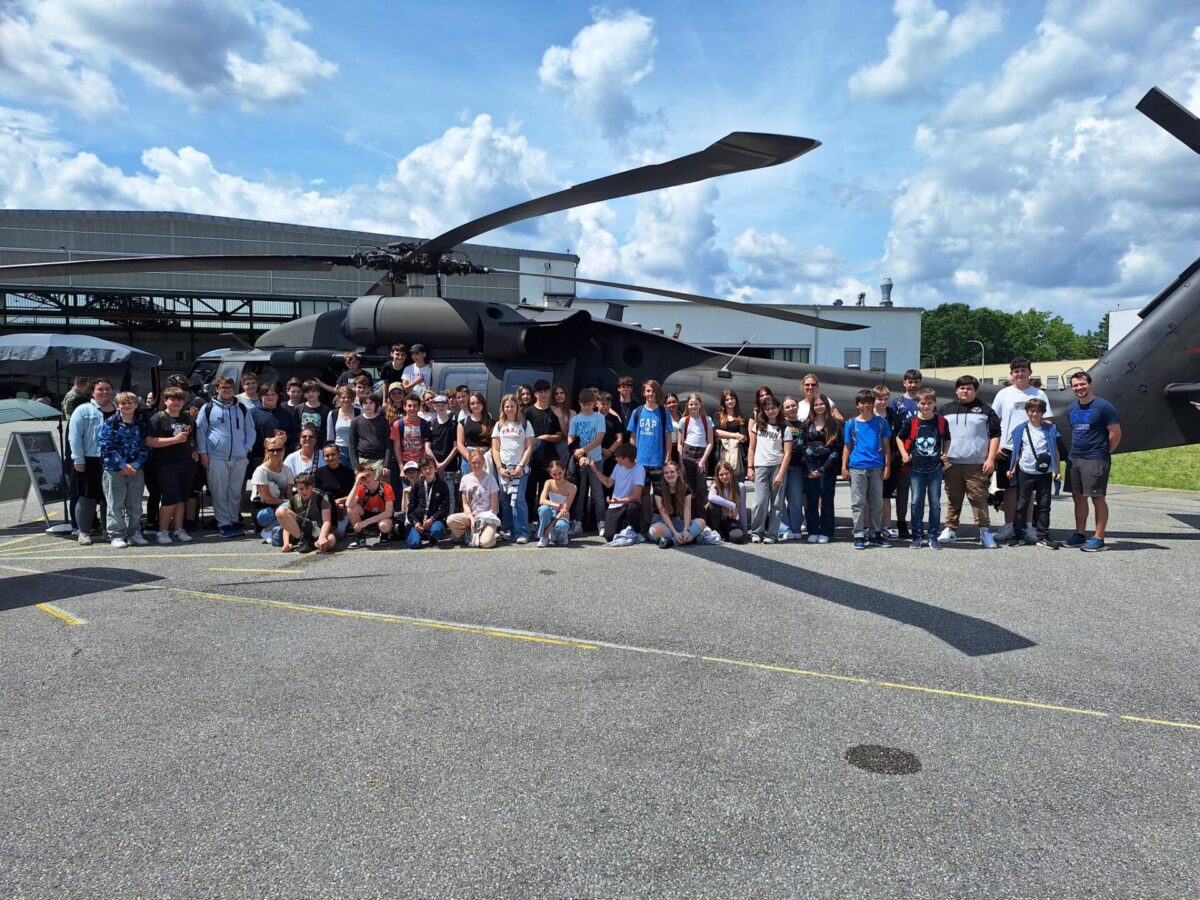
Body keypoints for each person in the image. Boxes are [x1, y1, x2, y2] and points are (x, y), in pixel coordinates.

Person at [993, 357, 1054, 540]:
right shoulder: (1003, 394)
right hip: (1008, 448)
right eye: (1016, 371)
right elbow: (994, 421)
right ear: (1011, 374)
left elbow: (1048, 420)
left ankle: (1028, 526)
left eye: (1023, 370)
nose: (1019, 374)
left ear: (1030, 372)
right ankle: (1009, 526)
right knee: (1010, 490)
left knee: (1029, 491)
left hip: (1031, 450)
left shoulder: (1039, 394)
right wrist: (997, 445)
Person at [938, 375, 1001, 549]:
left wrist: (991, 459)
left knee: (979, 497)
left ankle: (984, 531)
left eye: (969, 389)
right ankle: (950, 529)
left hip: (977, 463)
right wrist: (941, 454)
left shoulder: (986, 410)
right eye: (962, 388)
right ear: (956, 390)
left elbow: (995, 435)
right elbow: (938, 434)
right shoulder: (945, 410)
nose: (965, 391)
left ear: (975, 391)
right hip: (951, 462)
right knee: (953, 497)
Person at [1064, 371, 1122, 551]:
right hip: (1075, 458)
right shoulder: (1071, 409)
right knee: (1078, 498)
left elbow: (1115, 434)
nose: (1079, 388)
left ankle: (1099, 538)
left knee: (1097, 498)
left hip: (1095, 458)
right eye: (1075, 385)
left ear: (1090, 384)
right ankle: (1079, 534)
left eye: (1082, 384)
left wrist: (1103, 452)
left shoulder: (1104, 407)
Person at [196, 376, 256, 538]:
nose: (227, 390)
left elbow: (250, 430)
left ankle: (234, 520)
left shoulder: (242, 408)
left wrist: (246, 448)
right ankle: (224, 524)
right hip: (216, 457)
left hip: (239, 457)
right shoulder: (208, 408)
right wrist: (203, 454)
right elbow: (201, 432)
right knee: (219, 492)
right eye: (223, 387)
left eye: (230, 387)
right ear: (217, 389)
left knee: (235, 492)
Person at [1005, 398, 1062, 550]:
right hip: (1025, 470)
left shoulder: (1050, 429)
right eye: (1031, 411)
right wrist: (1012, 468)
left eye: (1038, 411)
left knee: (1044, 504)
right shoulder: (1020, 429)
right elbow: (1017, 450)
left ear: (1043, 413)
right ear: (1027, 412)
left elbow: (1055, 450)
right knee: (1021, 504)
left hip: (1044, 471)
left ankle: (1043, 536)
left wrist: (1057, 470)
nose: (1034, 414)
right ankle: (1019, 535)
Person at [897, 387, 950, 549]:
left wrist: (945, 452)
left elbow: (947, 438)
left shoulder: (941, 421)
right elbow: (899, 438)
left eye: (929, 403)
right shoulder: (912, 421)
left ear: (935, 403)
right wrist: (904, 454)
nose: (926, 406)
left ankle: (933, 536)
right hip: (916, 468)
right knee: (916, 503)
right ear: (917, 404)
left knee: (935, 503)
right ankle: (917, 536)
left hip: (935, 468)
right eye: (922, 403)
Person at [146, 386, 198, 544]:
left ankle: (178, 528)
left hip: (186, 463)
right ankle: (162, 531)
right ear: (165, 401)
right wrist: (174, 440)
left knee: (182, 498)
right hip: (166, 464)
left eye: (179, 400)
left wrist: (194, 450)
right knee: (170, 498)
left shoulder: (187, 418)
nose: (176, 403)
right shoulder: (158, 418)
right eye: (172, 399)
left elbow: (192, 438)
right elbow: (150, 441)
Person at [99, 391, 150, 548]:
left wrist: (135, 465)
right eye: (123, 403)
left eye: (130, 403)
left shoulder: (141, 424)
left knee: (135, 504)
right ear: (117, 406)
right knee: (115, 504)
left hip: (136, 470)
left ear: (136, 405)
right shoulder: (111, 422)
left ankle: (134, 532)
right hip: (114, 471)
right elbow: (106, 446)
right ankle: (116, 534)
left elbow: (145, 447)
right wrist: (122, 465)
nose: (127, 405)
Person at [842, 388, 892, 549]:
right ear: (857, 405)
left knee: (877, 502)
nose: (866, 406)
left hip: (876, 466)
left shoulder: (881, 423)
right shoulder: (851, 424)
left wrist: (887, 466)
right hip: (857, 467)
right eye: (863, 403)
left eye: (869, 402)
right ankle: (858, 533)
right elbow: (847, 446)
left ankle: (875, 533)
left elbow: (886, 446)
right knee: (858, 502)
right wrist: (843, 466)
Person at [68, 378, 115, 545]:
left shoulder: (118, 410)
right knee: (87, 497)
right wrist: (78, 459)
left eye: (107, 389)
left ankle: (107, 531)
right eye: (100, 389)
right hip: (89, 459)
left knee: (109, 498)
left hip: (113, 460)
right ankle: (84, 532)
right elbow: (75, 436)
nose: (104, 392)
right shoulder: (83, 410)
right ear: (93, 393)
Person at [747, 389, 791, 544]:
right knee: (760, 501)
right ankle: (757, 531)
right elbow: (751, 448)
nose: (770, 411)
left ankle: (772, 534)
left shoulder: (785, 428)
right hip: (760, 467)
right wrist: (750, 467)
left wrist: (781, 474)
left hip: (777, 467)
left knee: (776, 503)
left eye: (773, 408)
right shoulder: (758, 426)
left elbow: (787, 453)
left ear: (778, 408)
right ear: (763, 411)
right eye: (767, 409)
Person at [627, 379, 674, 523]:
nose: (650, 394)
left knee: (661, 493)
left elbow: (668, 437)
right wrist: (633, 456)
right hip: (641, 461)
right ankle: (647, 522)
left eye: (653, 391)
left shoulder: (664, 412)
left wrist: (668, 457)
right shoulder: (637, 412)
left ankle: (661, 521)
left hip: (658, 461)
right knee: (644, 492)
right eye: (648, 391)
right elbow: (633, 435)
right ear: (643, 393)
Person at [491, 393, 534, 543]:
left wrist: (521, 465)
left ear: (518, 407)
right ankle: (508, 529)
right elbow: (495, 449)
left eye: (512, 406)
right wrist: (499, 468)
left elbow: (529, 447)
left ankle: (522, 532)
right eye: (507, 406)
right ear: (503, 408)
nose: (509, 409)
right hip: (504, 468)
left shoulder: (525, 424)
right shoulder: (499, 425)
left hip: (520, 468)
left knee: (518, 499)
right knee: (505, 500)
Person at [799, 394, 841, 544]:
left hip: (828, 467)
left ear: (827, 406)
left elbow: (837, 449)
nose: (819, 407)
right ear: (812, 407)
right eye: (816, 404)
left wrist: (822, 469)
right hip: (810, 468)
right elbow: (801, 446)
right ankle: (813, 530)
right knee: (811, 500)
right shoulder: (806, 424)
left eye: (821, 404)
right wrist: (810, 469)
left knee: (827, 499)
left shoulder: (834, 425)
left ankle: (826, 531)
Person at [568, 388, 608, 535]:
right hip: (580, 461)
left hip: (595, 459)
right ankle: (577, 522)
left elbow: (599, 438)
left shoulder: (599, 417)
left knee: (598, 492)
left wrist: (583, 450)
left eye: (589, 404)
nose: (586, 407)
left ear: (594, 403)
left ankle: (601, 521)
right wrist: (578, 455)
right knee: (580, 492)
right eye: (584, 404)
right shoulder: (575, 419)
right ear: (579, 403)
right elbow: (570, 438)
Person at [889, 369, 923, 540]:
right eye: (910, 381)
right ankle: (901, 523)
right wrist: (898, 451)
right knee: (903, 491)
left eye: (916, 382)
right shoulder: (897, 403)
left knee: (919, 492)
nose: (913, 385)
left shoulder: (924, 401)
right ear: (904, 383)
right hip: (903, 452)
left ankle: (917, 523)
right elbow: (893, 430)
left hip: (923, 452)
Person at [590, 443, 644, 544]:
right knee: (609, 536)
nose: (615, 459)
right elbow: (608, 483)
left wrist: (619, 500)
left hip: (628, 503)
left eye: (618, 457)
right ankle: (624, 528)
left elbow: (636, 496)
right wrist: (594, 469)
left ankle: (635, 531)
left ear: (626, 459)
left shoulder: (639, 469)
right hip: (616, 505)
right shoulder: (618, 466)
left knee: (634, 506)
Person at [447, 448, 501, 548]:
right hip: (471, 516)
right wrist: (472, 519)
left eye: (479, 462)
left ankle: (488, 534)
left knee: (485, 543)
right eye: (473, 463)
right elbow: (465, 503)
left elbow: (493, 506)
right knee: (450, 520)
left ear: (484, 462)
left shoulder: (491, 479)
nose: (476, 465)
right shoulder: (465, 479)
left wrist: (482, 520)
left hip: (487, 517)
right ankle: (467, 532)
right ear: (469, 464)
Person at [249, 436, 294, 544]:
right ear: (267, 451)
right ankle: (266, 530)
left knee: (294, 506)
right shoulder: (261, 471)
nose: (275, 453)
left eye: (278, 449)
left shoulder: (287, 470)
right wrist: (288, 502)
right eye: (272, 450)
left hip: (280, 507)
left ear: (283, 450)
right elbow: (267, 499)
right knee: (289, 506)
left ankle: (277, 530)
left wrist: (292, 503)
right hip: (262, 512)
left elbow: (289, 494)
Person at [648, 459, 702, 549]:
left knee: (701, 522)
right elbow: (663, 513)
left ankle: (672, 541)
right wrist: (675, 533)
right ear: (663, 475)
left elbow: (687, 510)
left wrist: (686, 530)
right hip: (662, 521)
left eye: (672, 471)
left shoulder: (685, 488)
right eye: (666, 473)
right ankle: (687, 538)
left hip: (677, 521)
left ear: (678, 473)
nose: (669, 474)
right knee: (655, 530)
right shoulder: (658, 490)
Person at [676, 392, 714, 520]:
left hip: (701, 454)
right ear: (687, 405)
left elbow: (710, 442)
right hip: (687, 453)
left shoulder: (707, 420)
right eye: (691, 404)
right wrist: (681, 460)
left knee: (701, 488)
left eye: (696, 404)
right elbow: (680, 443)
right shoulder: (684, 421)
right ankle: (689, 518)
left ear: (700, 405)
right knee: (689, 488)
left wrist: (703, 460)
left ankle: (702, 519)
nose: (693, 407)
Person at [276, 472, 335, 554]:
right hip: (301, 530)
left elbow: (327, 521)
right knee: (280, 511)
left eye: (307, 488)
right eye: (301, 489)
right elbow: (287, 524)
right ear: (296, 488)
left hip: (317, 529)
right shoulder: (293, 500)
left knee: (331, 540)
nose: (304, 491)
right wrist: (286, 542)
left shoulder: (321, 497)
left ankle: (313, 543)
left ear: (312, 486)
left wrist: (322, 537)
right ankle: (304, 540)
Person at [874, 385, 904, 537]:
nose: (883, 402)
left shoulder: (893, 415)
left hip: (889, 460)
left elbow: (899, 435)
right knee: (870, 496)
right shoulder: (867, 414)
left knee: (886, 495)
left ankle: (886, 526)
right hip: (871, 460)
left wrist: (898, 454)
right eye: (879, 399)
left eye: (885, 399)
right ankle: (869, 527)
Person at [346, 464, 395, 548]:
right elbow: (348, 504)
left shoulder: (386, 487)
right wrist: (356, 483)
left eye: (368, 475)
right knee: (351, 508)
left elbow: (388, 512)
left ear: (374, 473)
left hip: (382, 516)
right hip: (368, 513)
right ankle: (360, 536)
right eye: (363, 477)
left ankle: (384, 535)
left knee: (384, 525)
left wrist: (365, 522)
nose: (367, 479)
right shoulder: (361, 488)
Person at [406, 454, 449, 548]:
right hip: (419, 521)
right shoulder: (416, 486)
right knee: (414, 544)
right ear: (421, 471)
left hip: (433, 520)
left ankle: (432, 534)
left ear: (435, 469)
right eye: (425, 469)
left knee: (437, 531)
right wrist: (415, 522)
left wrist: (432, 519)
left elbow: (444, 509)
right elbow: (411, 508)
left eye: (430, 468)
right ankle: (419, 534)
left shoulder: (442, 486)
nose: (428, 471)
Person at [426, 393, 460, 513]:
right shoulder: (430, 424)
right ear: (434, 406)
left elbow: (456, 447)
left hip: (449, 467)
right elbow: (427, 447)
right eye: (438, 405)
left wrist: (444, 464)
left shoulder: (454, 425)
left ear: (447, 406)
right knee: (433, 496)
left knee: (450, 496)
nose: (440, 407)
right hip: (434, 467)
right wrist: (436, 464)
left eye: (443, 405)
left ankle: (449, 520)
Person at [316, 442, 356, 539]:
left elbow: (354, 495)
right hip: (325, 508)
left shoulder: (348, 472)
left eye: (333, 454)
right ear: (324, 457)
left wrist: (339, 501)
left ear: (339, 455)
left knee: (339, 533)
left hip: (342, 507)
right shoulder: (318, 473)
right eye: (327, 456)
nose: (330, 458)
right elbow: (316, 493)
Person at [780, 395, 805, 541]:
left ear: (797, 406)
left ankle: (796, 528)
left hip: (796, 466)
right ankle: (785, 528)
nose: (791, 409)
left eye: (793, 405)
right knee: (779, 500)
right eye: (787, 407)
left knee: (796, 499)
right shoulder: (780, 425)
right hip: (780, 466)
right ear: (783, 410)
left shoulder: (804, 425)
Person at [536, 458, 577, 547]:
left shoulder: (572, 487)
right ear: (550, 474)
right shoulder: (548, 483)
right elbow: (541, 500)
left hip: (562, 514)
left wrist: (549, 528)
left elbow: (565, 510)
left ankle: (561, 534)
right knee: (543, 509)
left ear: (564, 470)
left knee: (561, 527)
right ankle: (544, 537)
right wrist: (558, 505)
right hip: (551, 511)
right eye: (554, 474)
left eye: (560, 473)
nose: (558, 476)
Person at [705, 460, 747, 544]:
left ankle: (725, 534)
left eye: (727, 473)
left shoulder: (740, 487)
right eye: (721, 475)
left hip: (729, 520)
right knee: (713, 503)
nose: (724, 477)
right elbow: (711, 497)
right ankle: (717, 531)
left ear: (731, 473)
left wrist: (744, 531)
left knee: (739, 538)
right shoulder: (715, 486)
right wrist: (732, 505)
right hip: (716, 520)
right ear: (717, 476)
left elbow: (742, 510)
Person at [349, 393, 390, 478]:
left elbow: (388, 444)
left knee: (379, 484)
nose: (368, 405)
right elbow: (352, 445)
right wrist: (355, 465)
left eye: (371, 403)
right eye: (365, 403)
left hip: (379, 461)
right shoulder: (356, 421)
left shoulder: (383, 421)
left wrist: (386, 464)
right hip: (362, 460)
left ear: (376, 405)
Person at [714, 388, 749, 481]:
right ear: (723, 402)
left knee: (738, 483)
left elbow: (743, 437)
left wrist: (725, 436)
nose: (730, 401)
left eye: (732, 398)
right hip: (722, 453)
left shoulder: (742, 418)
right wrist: (735, 435)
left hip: (738, 455)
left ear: (736, 400)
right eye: (727, 399)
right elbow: (716, 432)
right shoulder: (717, 416)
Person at [596, 390, 625, 481]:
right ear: (597, 404)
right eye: (602, 404)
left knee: (610, 481)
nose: (605, 406)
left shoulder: (615, 419)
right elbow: (589, 437)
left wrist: (609, 451)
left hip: (611, 455)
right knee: (596, 482)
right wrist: (602, 450)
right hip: (595, 454)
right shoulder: (592, 418)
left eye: (607, 404)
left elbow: (619, 439)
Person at [326, 386, 358, 466]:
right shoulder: (333, 414)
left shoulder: (359, 412)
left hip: (356, 450)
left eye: (348, 397)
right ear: (339, 399)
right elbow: (330, 436)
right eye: (343, 397)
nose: (346, 400)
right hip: (339, 450)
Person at [295, 379, 331, 444]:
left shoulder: (326, 409)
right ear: (304, 394)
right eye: (308, 392)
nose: (311, 394)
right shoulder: (298, 408)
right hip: (304, 443)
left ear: (319, 393)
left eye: (314, 391)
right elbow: (296, 428)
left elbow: (328, 429)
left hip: (320, 444)